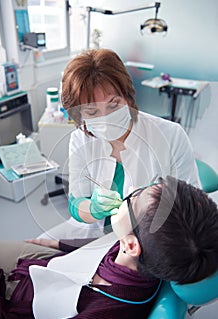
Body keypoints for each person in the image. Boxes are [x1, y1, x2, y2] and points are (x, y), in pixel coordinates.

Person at [0, 177, 217, 319]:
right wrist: (58, 244)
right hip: (56, 266)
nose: (130, 195)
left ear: (132, 246)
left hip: (14, 311)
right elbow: (104, 246)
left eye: (134, 199)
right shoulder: (146, 251)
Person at [61, 48, 200, 236]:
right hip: (95, 237)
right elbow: (76, 201)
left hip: (154, 239)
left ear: (127, 95)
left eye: (113, 104)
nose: (106, 117)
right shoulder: (80, 139)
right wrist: (92, 209)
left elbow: (192, 206)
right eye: (92, 112)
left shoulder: (170, 135)